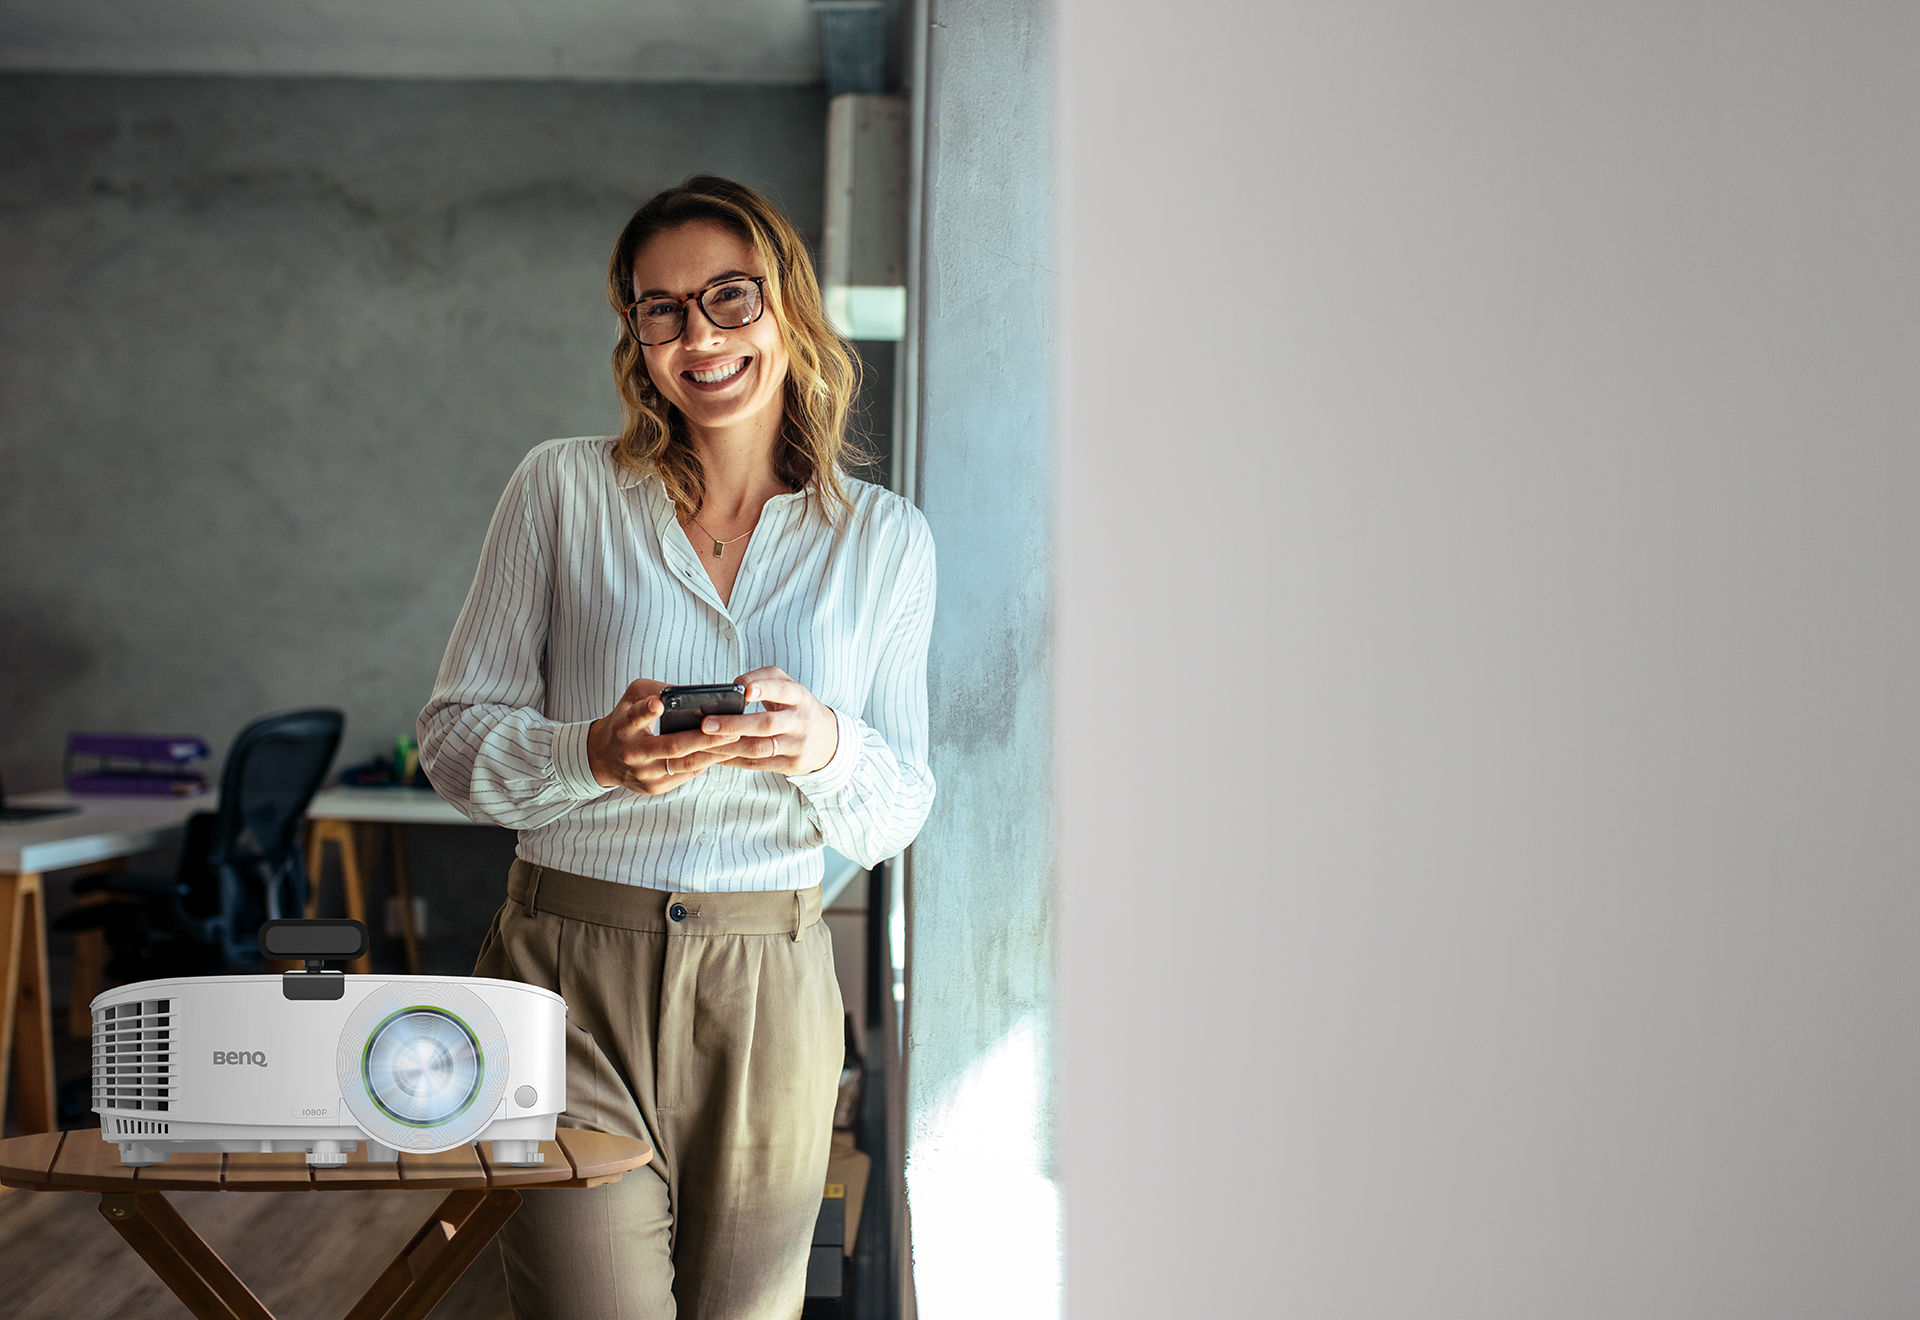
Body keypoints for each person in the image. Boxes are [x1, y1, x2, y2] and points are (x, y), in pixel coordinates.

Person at [417, 174, 937, 1320]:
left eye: (727, 297)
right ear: (636, 336)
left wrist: (825, 747)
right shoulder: (559, 488)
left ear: (788, 308)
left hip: (771, 991)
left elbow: (899, 806)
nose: (696, 335)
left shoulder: (887, 542)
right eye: (660, 309)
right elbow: (451, 742)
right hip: (565, 978)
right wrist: (592, 758)